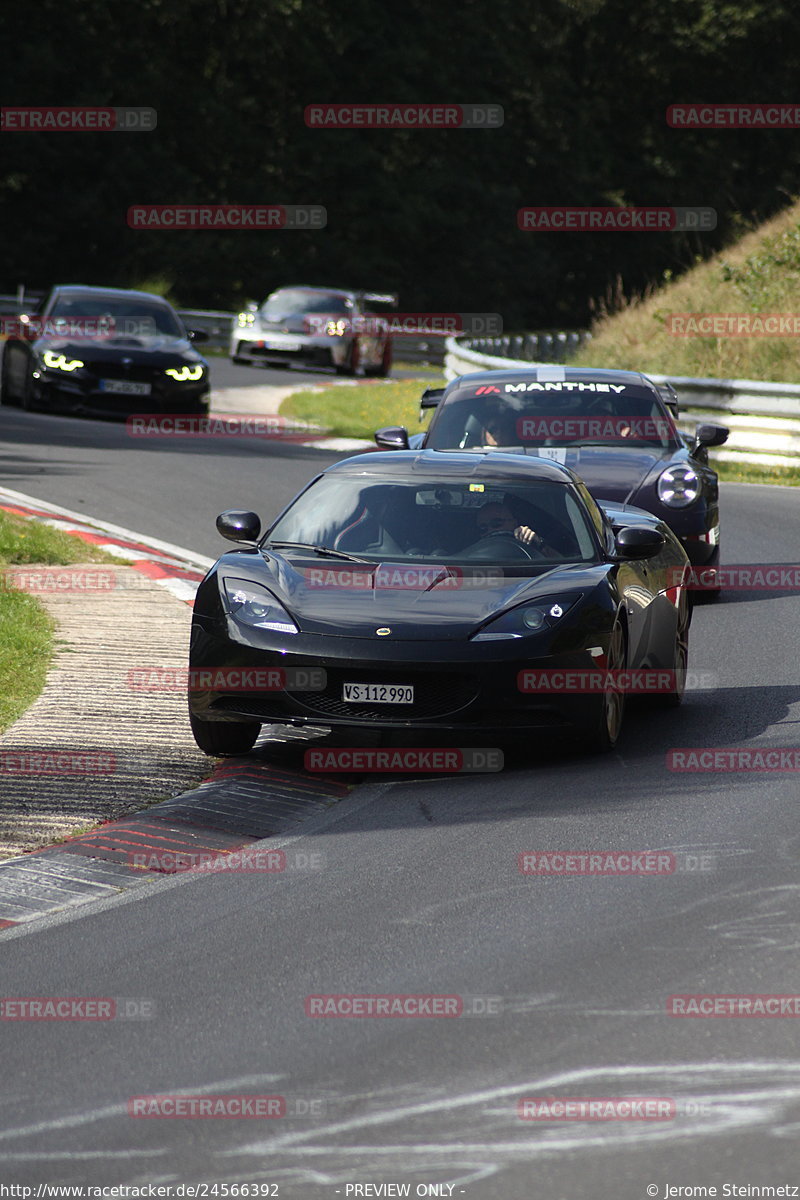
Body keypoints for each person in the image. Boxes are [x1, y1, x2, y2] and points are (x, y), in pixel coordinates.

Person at [476, 502, 556, 553]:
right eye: (483, 528)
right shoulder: (472, 552)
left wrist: (538, 543)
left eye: (496, 523)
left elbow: (560, 565)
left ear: (514, 523)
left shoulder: (529, 542)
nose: (490, 530)